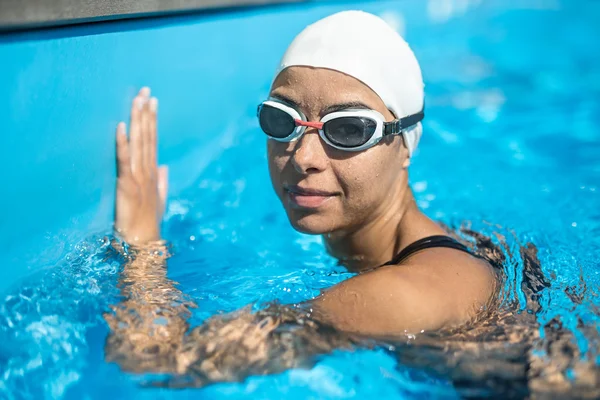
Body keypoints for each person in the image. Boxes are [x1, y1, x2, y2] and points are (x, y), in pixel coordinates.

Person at [105, 10, 498, 386]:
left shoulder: (397, 297)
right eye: (282, 120)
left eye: (348, 129)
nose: (303, 158)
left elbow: (156, 361)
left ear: (406, 144)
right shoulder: (447, 248)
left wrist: (142, 247)